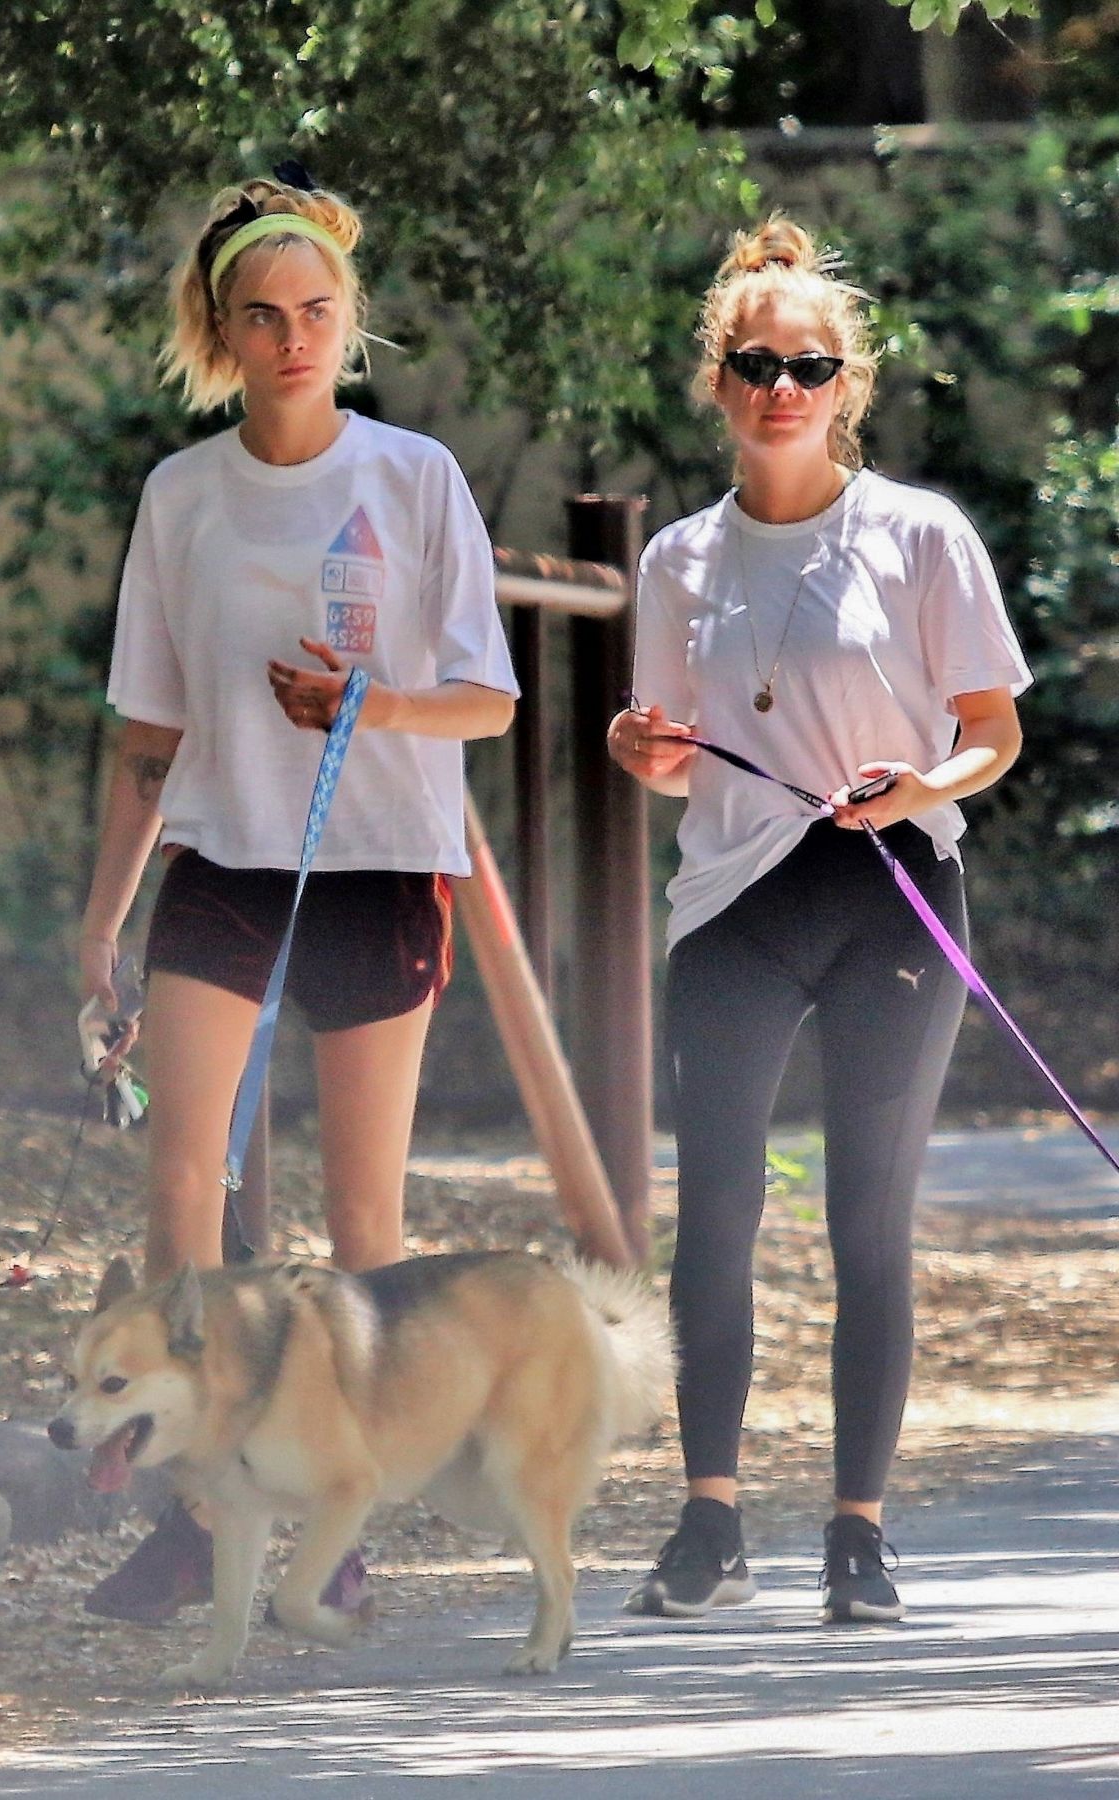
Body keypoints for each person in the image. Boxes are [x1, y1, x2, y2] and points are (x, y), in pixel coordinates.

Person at [78, 166, 518, 1623]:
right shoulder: (182, 495)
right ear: (221, 328)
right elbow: (150, 739)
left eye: (317, 311)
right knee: (178, 1192)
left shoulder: (416, 480)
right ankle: (203, 1516)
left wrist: (370, 711)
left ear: (349, 320)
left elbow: (487, 705)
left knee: (364, 1221)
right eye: (261, 315)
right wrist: (102, 926)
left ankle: (339, 1517)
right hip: (224, 870)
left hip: (382, 869)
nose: (292, 338)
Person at [608, 217, 1030, 1624]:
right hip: (734, 897)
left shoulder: (921, 533)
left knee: (869, 1218)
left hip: (893, 887)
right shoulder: (677, 559)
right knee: (714, 1213)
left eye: (810, 363)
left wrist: (925, 783)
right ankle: (709, 1519)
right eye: (755, 362)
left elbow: (992, 733)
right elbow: (670, 740)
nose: (782, 384)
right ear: (717, 384)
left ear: (849, 382)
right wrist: (642, 748)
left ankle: (859, 1529)